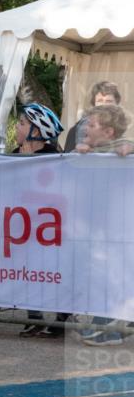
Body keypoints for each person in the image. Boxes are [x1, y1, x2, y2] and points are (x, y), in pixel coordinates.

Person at [72, 104, 132, 346]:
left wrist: (128, 148)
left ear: (108, 132)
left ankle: (106, 328)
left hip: (118, 229)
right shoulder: (89, 153)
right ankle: (109, 327)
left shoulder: (119, 148)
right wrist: (84, 151)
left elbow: (128, 146)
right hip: (97, 227)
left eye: (92, 125)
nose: (86, 127)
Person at [11, 104, 70, 338]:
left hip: (52, 228)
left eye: (23, 124)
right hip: (24, 226)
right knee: (27, 270)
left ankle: (62, 319)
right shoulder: (14, 153)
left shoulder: (55, 158)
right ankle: (34, 317)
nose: (17, 127)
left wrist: (28, 167)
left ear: (38, 131)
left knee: (57, 271)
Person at [63, 80, 121, 152]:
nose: (104, 105)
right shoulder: (83, 127)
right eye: (100, 101)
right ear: (94, 104)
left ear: (116, 103)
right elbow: (72, 157)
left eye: (109, 101)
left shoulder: (120, 125)